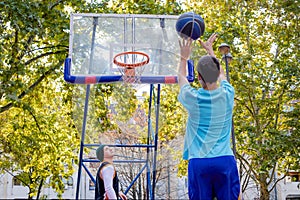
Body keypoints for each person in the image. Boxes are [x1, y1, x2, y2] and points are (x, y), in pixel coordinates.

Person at [177, 33, 241, 200]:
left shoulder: (193, 98)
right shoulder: (228, 94)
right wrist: (211, 52)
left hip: (199, 162)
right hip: (225, 161)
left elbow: (182, 78)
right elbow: (222, 75)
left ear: (198, 77)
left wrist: (184, 57)